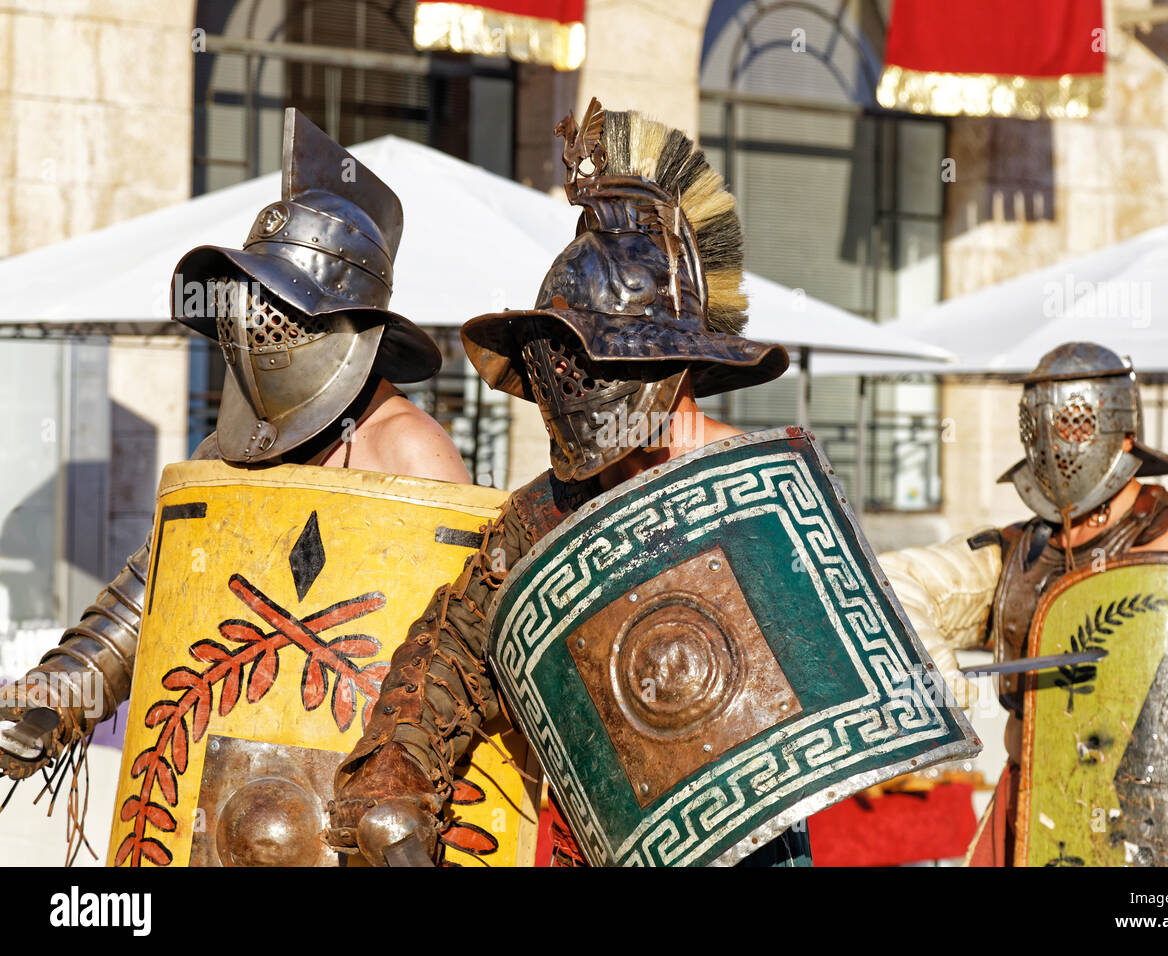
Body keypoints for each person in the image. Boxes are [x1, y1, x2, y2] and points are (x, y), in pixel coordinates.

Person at [324, 99, 835, 867]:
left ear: (666, 359)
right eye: (568, 359)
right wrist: (397, 770)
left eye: (598, 358)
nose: (578, 381)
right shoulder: (541, 515)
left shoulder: (764, 493)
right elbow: (453, 650)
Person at [0, 109, 468, 793]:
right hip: (220, 795)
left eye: (277, 302)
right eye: (249, 296)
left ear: (344, 320)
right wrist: (61, 691)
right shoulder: (232, 448)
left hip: (350, 804)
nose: (254, 320)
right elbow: (155, 591)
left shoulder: (411, 453)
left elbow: (451, 657)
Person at [877, 342, 1168, 865]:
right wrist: (938, 681)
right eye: (1039, 426)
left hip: (1151, 824)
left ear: (1122, 432)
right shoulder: (1021, 549)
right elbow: (892, 581)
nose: (1053, 443)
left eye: (1073, 423)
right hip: (1028, 802)